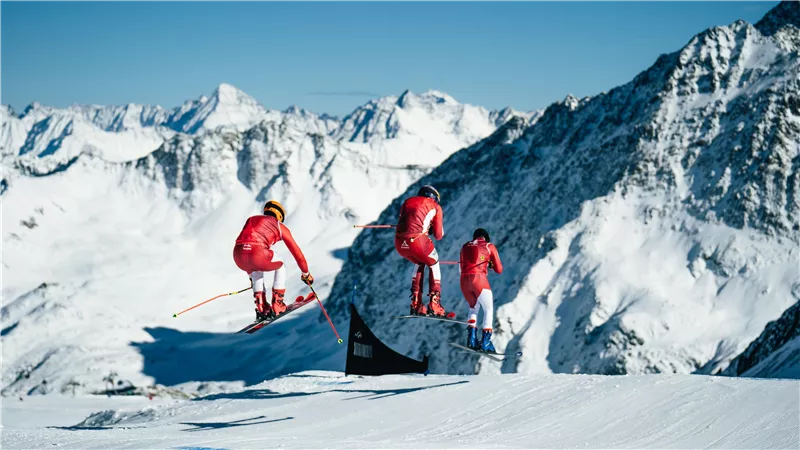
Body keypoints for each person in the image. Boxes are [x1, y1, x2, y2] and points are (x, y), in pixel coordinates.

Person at [233, 200, 314, 320]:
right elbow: (298, 254)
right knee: (281, 264)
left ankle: (262, 308)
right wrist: (306, 274)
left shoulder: (251, 219)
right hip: (257, 253)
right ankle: (278, 304)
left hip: (237, 255)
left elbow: (246, 244)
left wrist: (251, 278)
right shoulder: (278, 225)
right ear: (280, 215)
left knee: (256, 270)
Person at [394, 185, 446, 316]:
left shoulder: (407, 202)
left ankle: (416, 303)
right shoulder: (435, 207)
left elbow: (406, 222)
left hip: (400, 243)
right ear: (434, 197)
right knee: (434, 263)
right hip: (418, 241)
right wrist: (431, 229)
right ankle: (434, 303)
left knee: (419, 262)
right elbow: (439, 235)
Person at [459, 228, 503, 352]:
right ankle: (486, 342)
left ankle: (471, 339)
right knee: (488, 309)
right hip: (479, 280)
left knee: (473, 308)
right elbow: (499, 269)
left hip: (464, 281)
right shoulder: (489, 246)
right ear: (486, 238)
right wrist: (490, 264)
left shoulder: (465, 246)